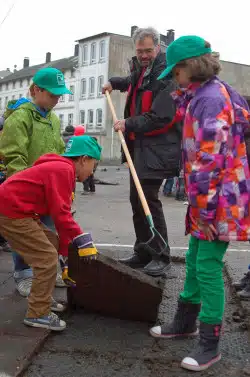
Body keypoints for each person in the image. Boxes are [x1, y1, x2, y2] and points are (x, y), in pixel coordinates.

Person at [149, 35, 250, 372]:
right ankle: (185, 321)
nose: (172, 80)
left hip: (218, 200)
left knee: (207, 266)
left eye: (174, 73)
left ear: (189, 68)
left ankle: (210, 342)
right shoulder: (210, 93)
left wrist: (204, 212)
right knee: (194, 257)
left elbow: (209, 160)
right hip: (210, 197)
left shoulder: (209, 101)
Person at [0, 135, 102, 331]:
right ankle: (38, 313)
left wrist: (64, 258)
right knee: (45, 258)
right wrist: (84, 241)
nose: (92, 172)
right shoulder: (63, 170)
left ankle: (42, 299)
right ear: (83, 159)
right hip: (11, 212)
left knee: (51, 242)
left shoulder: (63, 169)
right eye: (93, 165)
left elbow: (60, 221)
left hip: (17, 210)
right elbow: (61, 214)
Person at [103, 27, 181, 277]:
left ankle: (161, 255)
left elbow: (161, 116)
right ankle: (144, 250)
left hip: (156, 148)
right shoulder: (141, 67)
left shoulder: (166, 74)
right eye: (140, 51)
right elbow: (131, 83)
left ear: (158, 47)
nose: (144, 55)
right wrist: (114, 83)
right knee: (137, 200)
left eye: (148, 50)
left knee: (148, 200)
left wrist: (128, 123)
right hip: (139, 146)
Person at [0, 67, 71, 298]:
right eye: (52, 94)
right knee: (26, 235)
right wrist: (24, 187)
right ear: (36, 90)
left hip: (47, 188)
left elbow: (58, 151)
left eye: (59, 95)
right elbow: (14, 155)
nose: (57, 99)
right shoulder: (20, 117)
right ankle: (24, 274)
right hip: (26, 190)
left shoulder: (52, 119)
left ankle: (45, 271)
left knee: (48, 231)